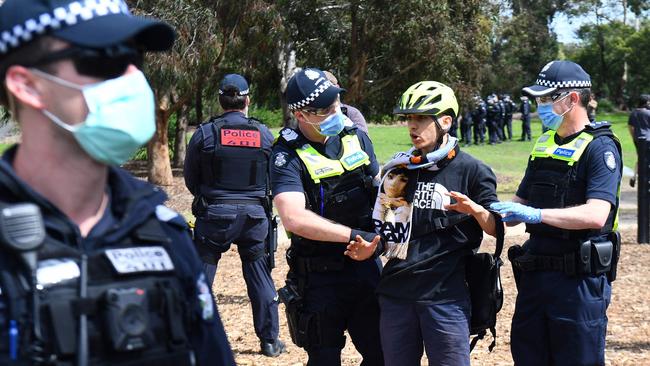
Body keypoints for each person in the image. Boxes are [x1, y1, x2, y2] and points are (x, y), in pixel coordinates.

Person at [0, 0, 235, 365]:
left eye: (134, 58)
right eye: (105, 59)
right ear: (28, 85)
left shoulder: (164, 233)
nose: (132, 79)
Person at [345, 81, 499, 366]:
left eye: (421, 118)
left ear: (445, 121)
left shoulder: (473, 171)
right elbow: (389, 235)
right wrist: (371, 249)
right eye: (409, 119)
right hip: (396, 295)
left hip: (446, 297)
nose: (412, 126)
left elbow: (495, 228)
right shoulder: (399, 171)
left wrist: (476, 211)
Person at [490, 60, 622, 366]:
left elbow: (596, 215)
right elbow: (519, 203)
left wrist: (535, 215)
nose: (540, 106)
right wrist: (489, 210)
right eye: (538, 100)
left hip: (578, 282)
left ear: (573, 99)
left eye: (546, 99)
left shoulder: (600, 149)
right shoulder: (544, 143)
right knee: (528, 355)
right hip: (536, 277)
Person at [272, 67, 383, 365]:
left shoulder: (356, 137)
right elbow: (293, 218)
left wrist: (382, 240)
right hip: (319, 278)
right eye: (323, 109)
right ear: (301, 115)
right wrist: (353, 236)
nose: (334, 112)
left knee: (384, 354)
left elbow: (382, 191)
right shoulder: (286, 155)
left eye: (335, 103)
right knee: (324, 359)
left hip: (366, 269)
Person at [183, 74, 285, 357]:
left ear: (220, 100)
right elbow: (274, 175)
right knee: (259, 276)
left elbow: (191, 179)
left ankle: (192, 339)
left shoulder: (204, 133)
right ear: (247, 100)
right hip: (254, 218)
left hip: (215, 215)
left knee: (201, 277)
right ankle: (269, 341)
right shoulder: (264, 134)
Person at [627, 94, 650, 187]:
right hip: (648, 139)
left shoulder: (633, 113)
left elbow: (630, 127)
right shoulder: (648, 113)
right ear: (646, 102)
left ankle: (634, 176)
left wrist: (634, 137)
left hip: (638, 140)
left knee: (640, 158)